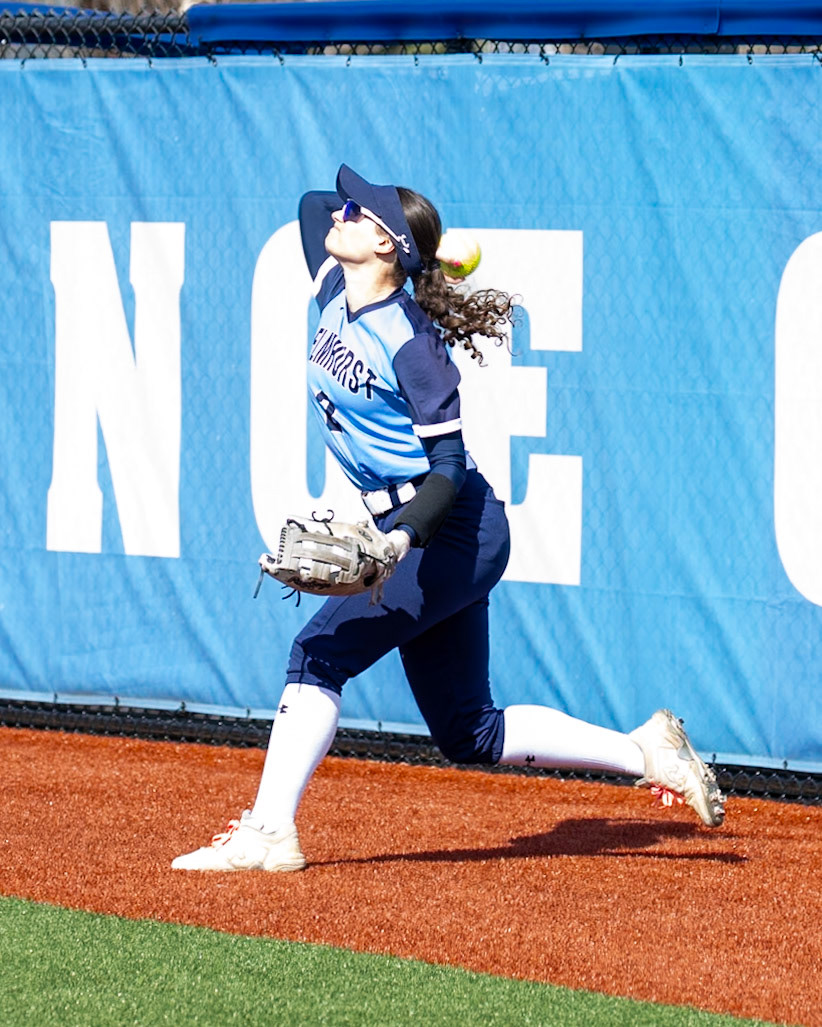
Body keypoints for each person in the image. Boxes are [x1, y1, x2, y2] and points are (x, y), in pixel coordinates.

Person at [172, 166, 725, 872]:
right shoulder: (338, 288)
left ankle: (270, 832)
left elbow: (449, 466)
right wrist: (417, 244)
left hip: (451, 528)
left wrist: (401, 539)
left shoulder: (411, 343)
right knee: (469, 731)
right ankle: (646, 751)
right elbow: (313, 206)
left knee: (318, 654)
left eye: (358, 211)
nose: (340, 213)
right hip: (417, 524)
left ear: (383, 243)